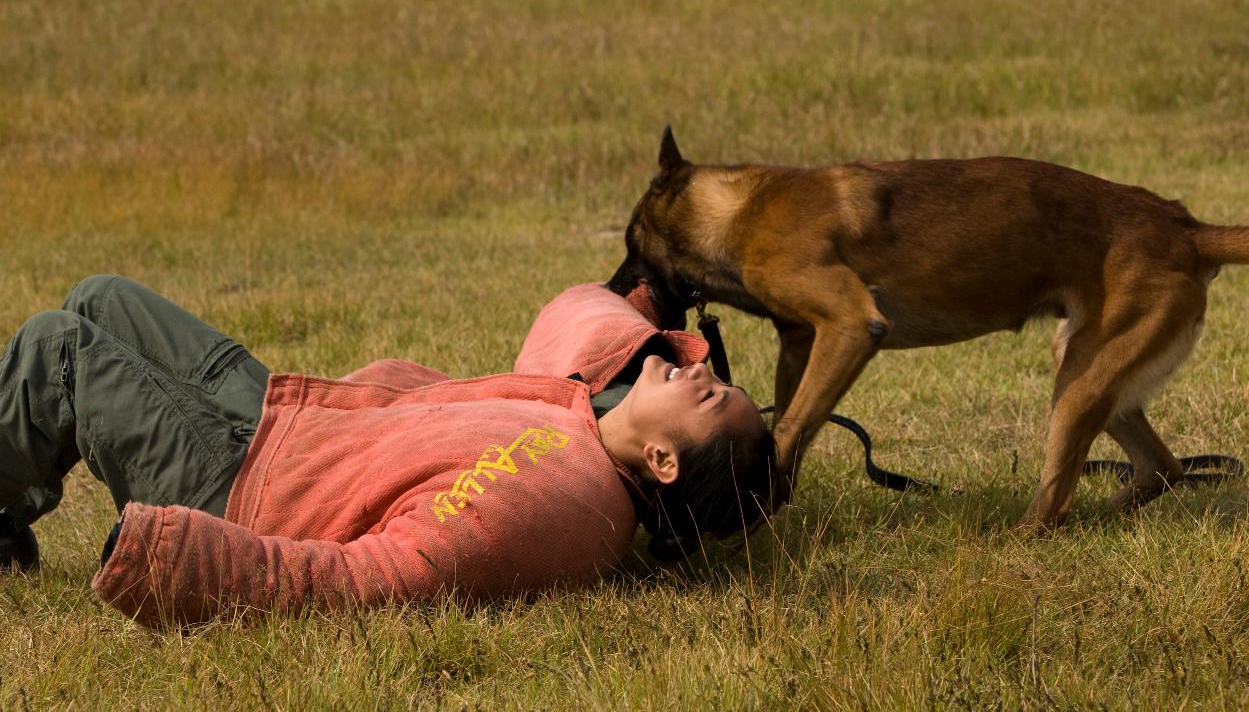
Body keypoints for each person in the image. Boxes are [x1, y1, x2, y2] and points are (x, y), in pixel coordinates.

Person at [0, 276, 774, 625]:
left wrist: (184, 561)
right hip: (290, 421)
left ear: (665, 462)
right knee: (101, 298)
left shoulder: (558, 493)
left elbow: (378, 579)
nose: (701, 369)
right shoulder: (582, 420)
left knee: (57, 348)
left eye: (707, 394)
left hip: (243, 487)